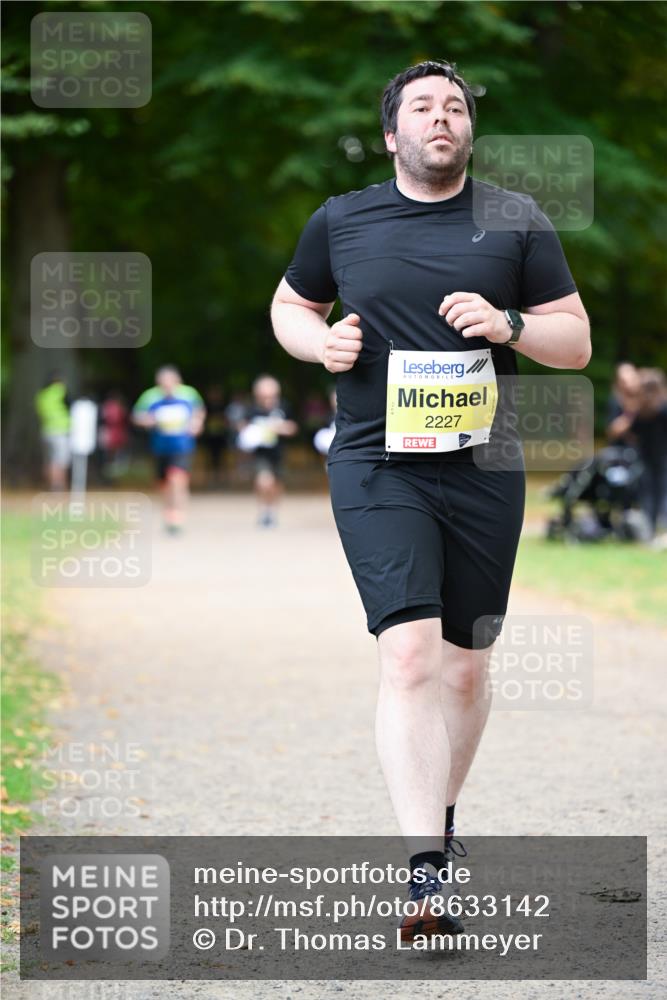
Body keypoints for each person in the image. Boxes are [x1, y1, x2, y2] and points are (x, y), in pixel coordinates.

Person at [271, 59, 591, 942]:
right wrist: (317, 343)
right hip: (378, 462)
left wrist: (511, 326)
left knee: (466, 664)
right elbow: (288, 304)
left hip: (484, 466)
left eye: (454, 106)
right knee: (408, 655)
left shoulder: (514, 221)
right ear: (392, 133)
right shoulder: (342, 219)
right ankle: (423, 876)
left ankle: (440, 828)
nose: (440, 116)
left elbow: (575, 341)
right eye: (422, 106)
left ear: (467, 132)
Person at [132, 366, 205, 534]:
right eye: (163, 384)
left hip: (182, 446)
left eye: (170, 384)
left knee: (177, 479)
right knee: (163, 484)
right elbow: (137, 416)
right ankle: (168, 512)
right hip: (160, 447)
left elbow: (199, 412)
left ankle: (177, 516)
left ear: (177, 382)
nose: (167, 388)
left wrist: (197, 423)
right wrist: (147, 420)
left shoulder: (189, 394)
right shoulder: (150, 396)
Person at [237, 375, 297, 527]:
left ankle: (272, 510)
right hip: (259, 453)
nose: (267, 399)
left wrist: (279, 428)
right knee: (264, 481)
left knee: (276, 483)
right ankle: (263, 509)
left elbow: (293, 428)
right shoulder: (251, 409)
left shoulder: (283, 407)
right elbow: (242, 428)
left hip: (278, 452)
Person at [631, 368, 667, 537]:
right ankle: (657, 528)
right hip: (655, 457)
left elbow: (633, 433)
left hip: (650, 457)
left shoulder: (645, 411)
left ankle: (653, 529)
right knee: (658, 493)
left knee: (652, 493)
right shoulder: (658, 409)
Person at [34, 371, 71, 491]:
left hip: (46, 430)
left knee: (49, 460)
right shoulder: (59, 390)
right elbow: (70, 403)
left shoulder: (42, 395)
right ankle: (60, 485)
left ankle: (51, 485)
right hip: (60, 430)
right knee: (61, 459)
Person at [606, 362, 641, 447]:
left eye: (631, 379)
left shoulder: (646, 400)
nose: (628, 384)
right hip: (621, 449)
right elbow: (612, 431)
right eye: (623, 381)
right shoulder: (616, 401)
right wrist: (630, 415)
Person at [202, 384, 228, 487]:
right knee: (209, 460)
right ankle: (210, 481)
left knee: (222, 460)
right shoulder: (206, 406)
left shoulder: (223, 406)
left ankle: (222, 480)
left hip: (221, 437)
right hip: (210, 438)